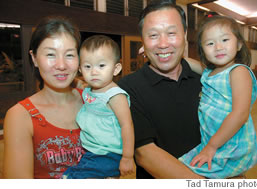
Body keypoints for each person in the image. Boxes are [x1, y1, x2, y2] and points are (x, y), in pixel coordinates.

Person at [118, 1, 203, 178]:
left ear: (185, 35)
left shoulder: (204, 81)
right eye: (153, 35)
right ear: (143, 41)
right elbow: (145, 154)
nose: (163, 44)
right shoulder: (127, 88)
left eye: (171, 33)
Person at [179, 15, 257, 178]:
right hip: (213, 140)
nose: (218, 47)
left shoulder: (238, 71)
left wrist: (211, 146)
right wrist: (165, 52)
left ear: (238, 44)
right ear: (202, 50)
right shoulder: (210, 72)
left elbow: (240, 114)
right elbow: (188, 62)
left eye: (224, 40)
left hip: (230, 142)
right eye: (210, 43)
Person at [3, 16, 84, 179]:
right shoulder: (20, 116)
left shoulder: (92, 100)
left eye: (69, 55)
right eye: (50, 55)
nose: (61, 65)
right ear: (34, 58)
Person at [62, 35, 135, 179]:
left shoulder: (114, 96)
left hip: (109, 153)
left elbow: (127, 125)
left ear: (116, 69)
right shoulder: (89, 89)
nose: (94, 72)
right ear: (81, 69)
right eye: (88, 66)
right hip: (92, 151)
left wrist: (127, 157)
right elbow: (77, 82)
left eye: (101, 65)